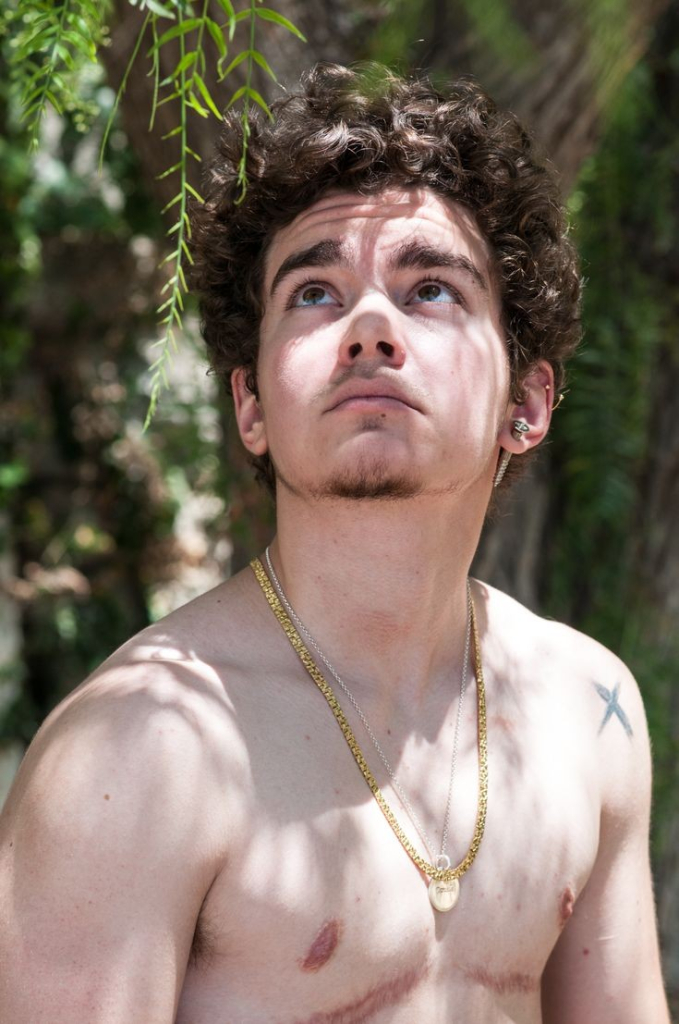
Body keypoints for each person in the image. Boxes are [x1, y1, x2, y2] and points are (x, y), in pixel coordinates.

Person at [0, 62, 669, 1024]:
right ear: (251, 405)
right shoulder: (139, 754)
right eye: (313, 292)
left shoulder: (588, 711)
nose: (367, 326)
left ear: (527, 401)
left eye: (430, 288)